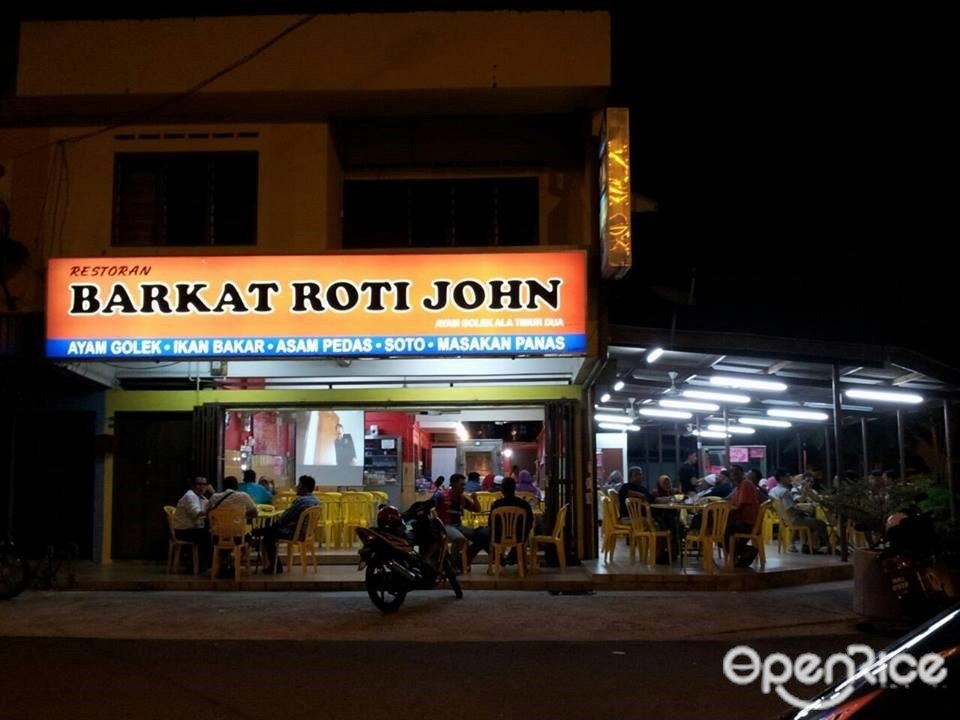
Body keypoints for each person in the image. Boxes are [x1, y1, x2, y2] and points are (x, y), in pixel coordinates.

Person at [258, 475, 320, 573]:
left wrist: (274, 525)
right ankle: (274, 565)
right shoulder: (317, 501)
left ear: (304, 488)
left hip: (294, 532)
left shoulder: (301, 501)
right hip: (306, 533)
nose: (297, 487)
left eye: (299, 485)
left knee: (268, 534)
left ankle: (275, 567)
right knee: (268, 531)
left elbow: (285, 518)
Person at [472, 475, 534, 565]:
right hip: (519, 537)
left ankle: (498, 558)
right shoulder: (524, 504)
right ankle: (511, 557)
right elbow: (530, 522)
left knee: (480, 536)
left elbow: (490, 523)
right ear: (514, 489)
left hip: (498, 536)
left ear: (502, 490)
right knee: (481, 536)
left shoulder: (497, 504)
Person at [769, 473, 828, 553]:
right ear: (781, 478)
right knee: (821, 524)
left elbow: (790, 507)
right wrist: (804, 511)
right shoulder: (785, 492)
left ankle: (810, 544)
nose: (790, 478)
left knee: (813, 521)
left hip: (784, 518)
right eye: (788, 476)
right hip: (793, 519)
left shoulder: (774, 490)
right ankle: (810, 546)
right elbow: (791, 509)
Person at [433, 472, 482, 566]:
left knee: (481, 537)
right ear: (454, 484)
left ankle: (464, 561)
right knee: (460, 538)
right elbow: (431, 506)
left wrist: (475, 498)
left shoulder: (462, 498)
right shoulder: (442, 496)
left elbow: (477, 510)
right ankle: (453, 564)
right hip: (445, 526)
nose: (464, 487)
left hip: (459, 526)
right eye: (461, 484)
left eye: (464, 484)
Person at [172, 476, 213, 570]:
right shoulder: (190, 496)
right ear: (193, 486)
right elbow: (197, 513)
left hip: (192, 529)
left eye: (204, 484)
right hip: (182, 531)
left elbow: (212, 506)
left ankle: (204, 564)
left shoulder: (201, 498)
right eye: (199, 484)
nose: (201, 487)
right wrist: (213, 494)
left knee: (211, 533)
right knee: (208, 535)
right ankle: (199, 566)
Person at [724, 465, 761, 566]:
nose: (734, 475)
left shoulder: (746, 484)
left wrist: (726, 515)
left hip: (747, 523)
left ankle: (740, 553)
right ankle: (742, 552)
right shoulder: (738, 486)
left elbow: (741, 506)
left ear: (742, 473)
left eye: (736, 472)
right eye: (732, 473)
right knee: (718, 527)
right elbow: (727, 499)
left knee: (723, 528)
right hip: (743, 521)